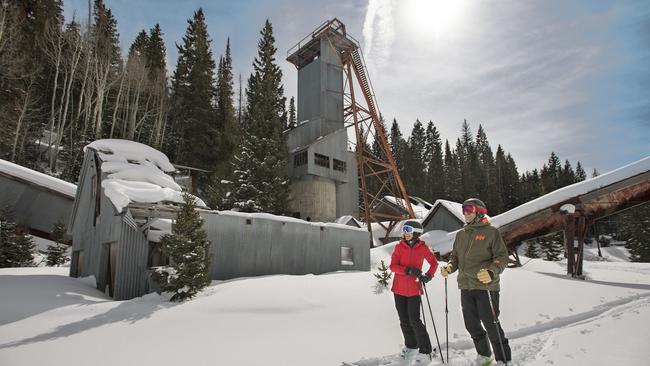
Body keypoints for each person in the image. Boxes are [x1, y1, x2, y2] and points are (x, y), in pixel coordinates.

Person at [440, 198, 513, 366]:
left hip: (486, 287)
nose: (465, 213)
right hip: (466, 286)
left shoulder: (491, 232)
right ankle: (485, 356)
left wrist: (491, 271)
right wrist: (450, 267)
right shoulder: (461, 234)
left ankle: (504, 360)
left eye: (469, 209)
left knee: (491, 325)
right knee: (471, 325)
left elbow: (502, 257)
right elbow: (455, 257)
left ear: (479, 211)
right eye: (463, 209)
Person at [389, 220, 439, 364]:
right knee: (404, 321)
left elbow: (434, 263)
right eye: (404, 230)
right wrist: (407, 270)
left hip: (413, 289)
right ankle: (411, 346)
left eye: (409, 230)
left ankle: (426, 350)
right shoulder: (399, 247)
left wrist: (428, 275)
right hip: (398, 289)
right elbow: (393, 266)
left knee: (415, 320)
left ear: (416, 233)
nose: (406, 233)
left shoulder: (422, 248)